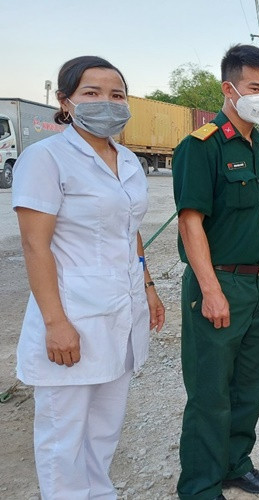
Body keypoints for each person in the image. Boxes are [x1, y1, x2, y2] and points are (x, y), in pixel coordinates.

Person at [12, 55, 165, 499]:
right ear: (65, 102)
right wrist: (56, 324)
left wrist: (149, 287)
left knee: (104, 426)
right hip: (72, 313)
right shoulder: (46, 158)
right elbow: (34, 246)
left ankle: (99, 493)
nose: (107, 103)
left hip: (123, 309)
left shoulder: (129, 160)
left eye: (116, 95)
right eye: (91, 93)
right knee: (64, 433)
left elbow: (129, 230)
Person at [172, 44, 259, 500]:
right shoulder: (200, 146)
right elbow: (190, 222)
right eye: (255, 88)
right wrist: (210, 289)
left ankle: (234, 464)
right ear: (230, 89)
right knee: (210, 391)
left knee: (250, 383)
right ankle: (200, 487)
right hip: (220, 283)